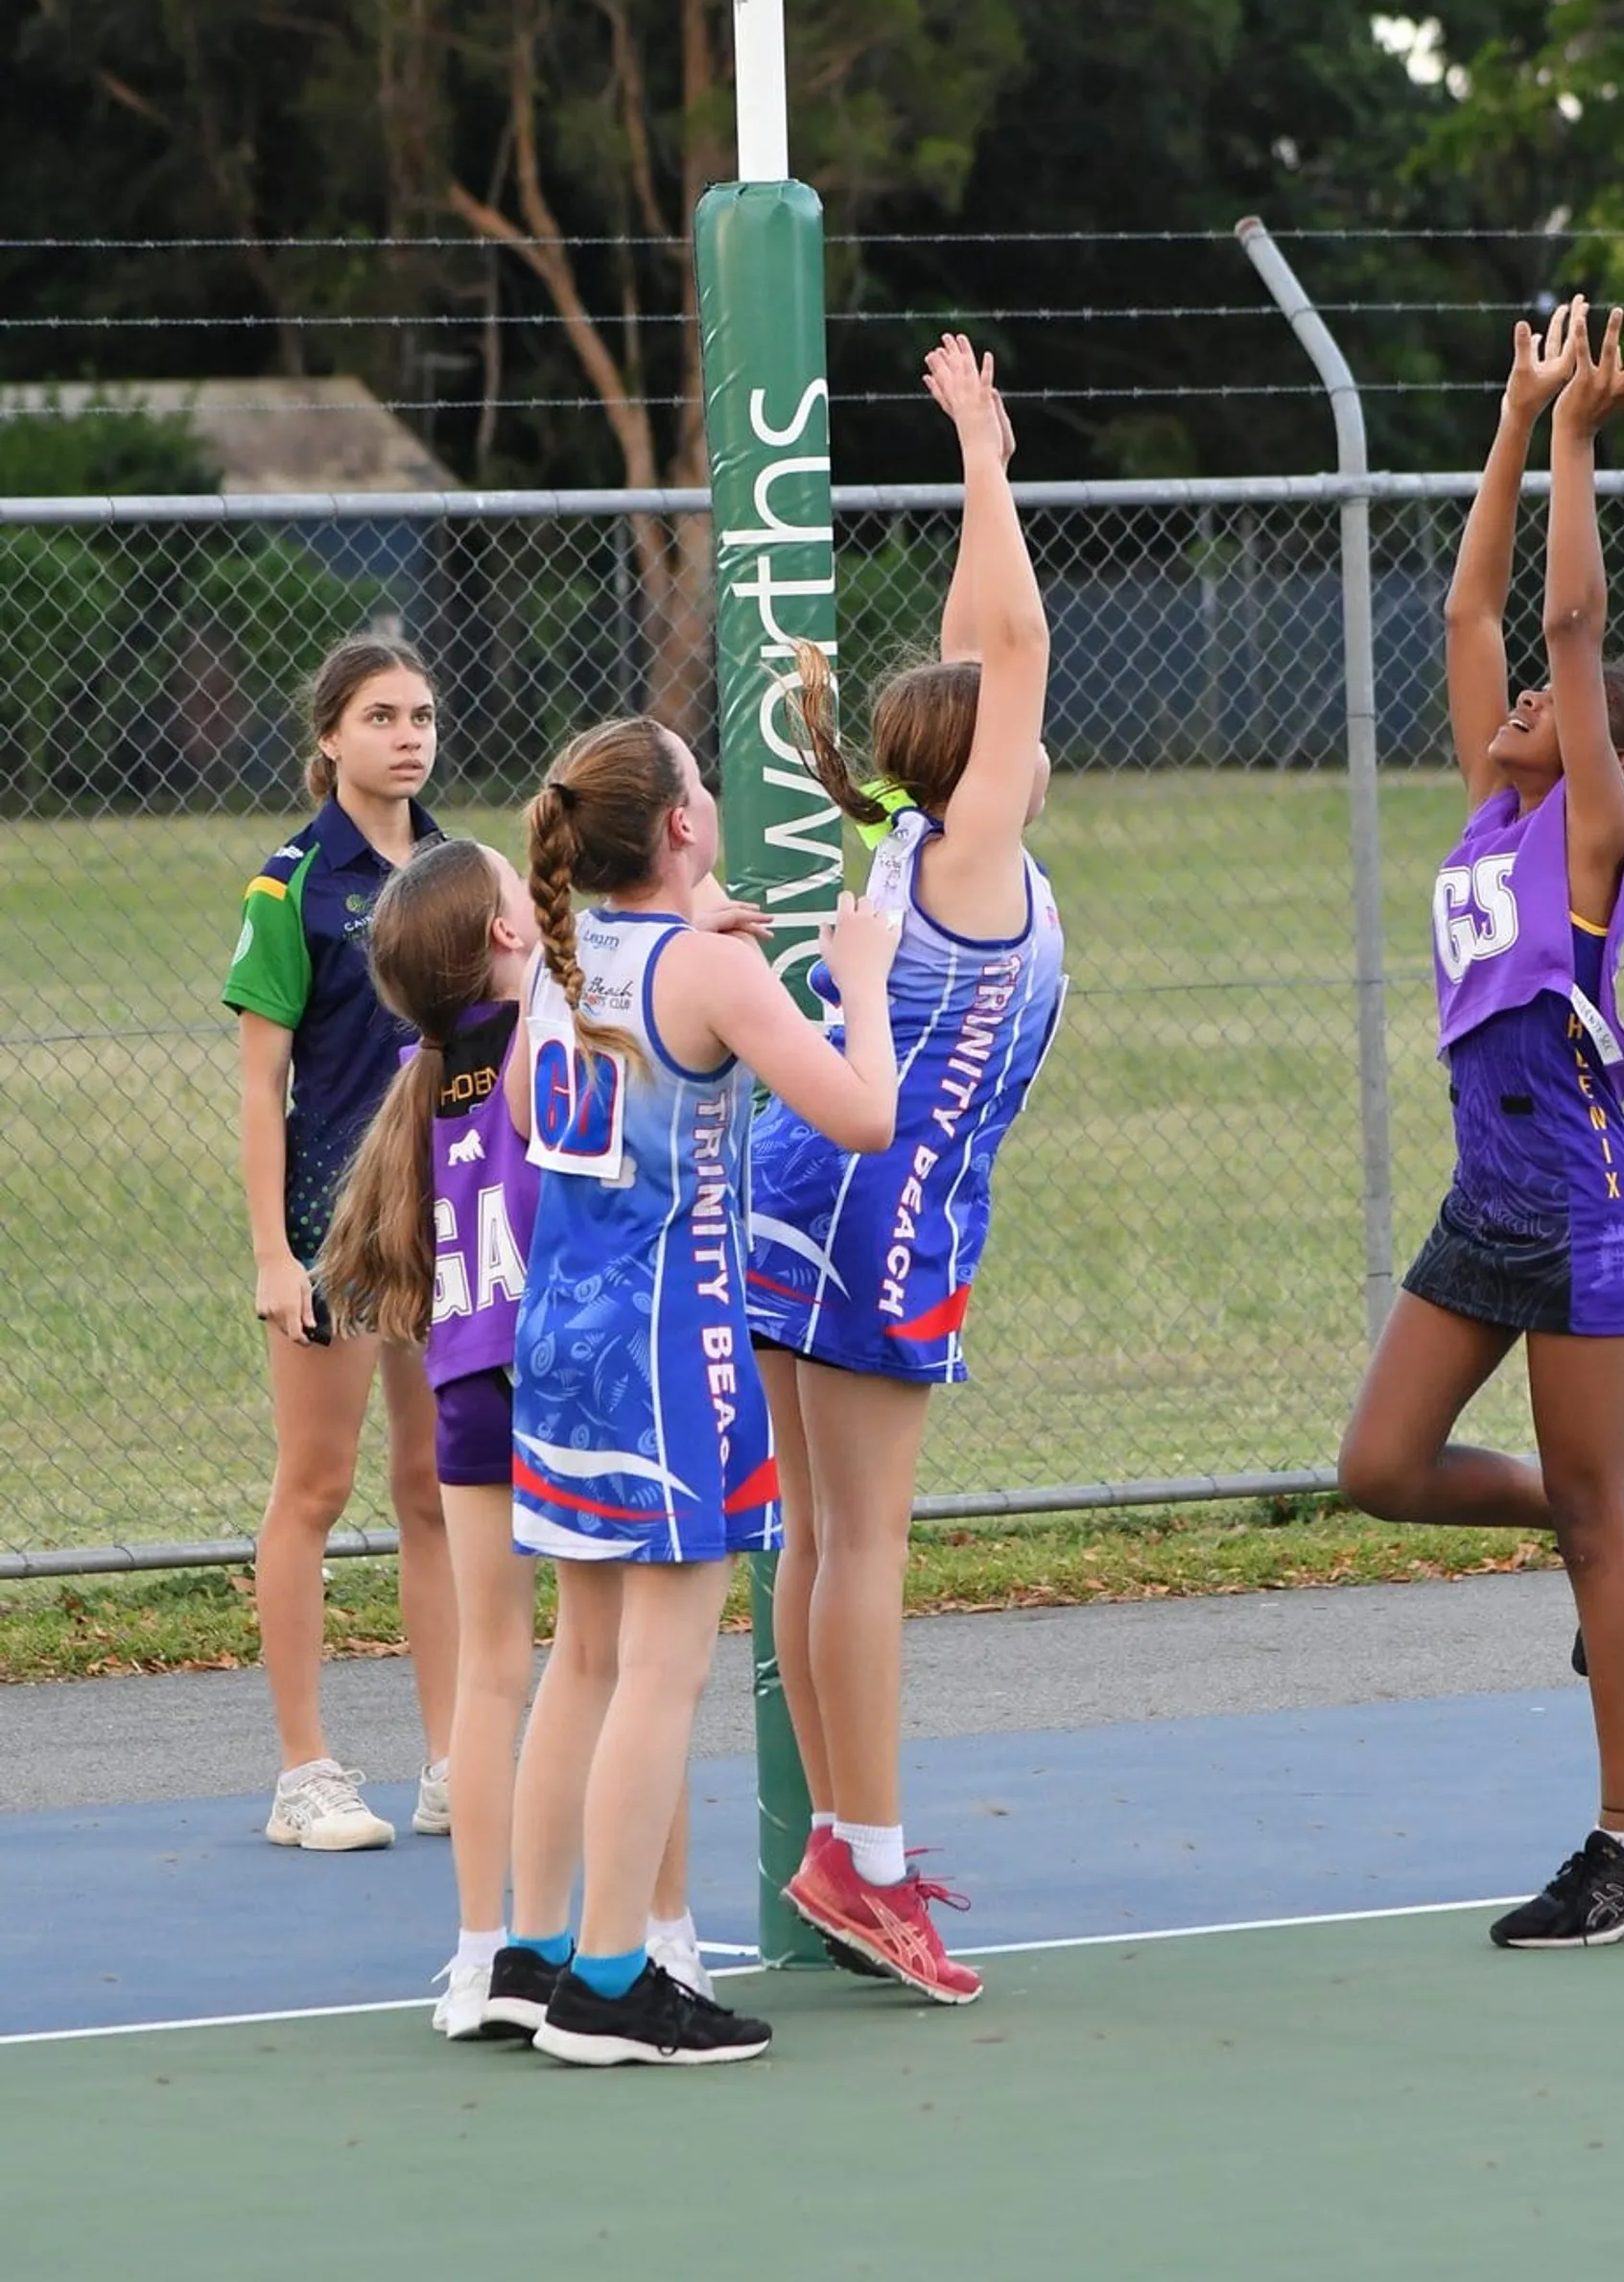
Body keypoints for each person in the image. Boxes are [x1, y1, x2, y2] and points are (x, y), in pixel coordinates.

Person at [1337, 299, 1624, 1949]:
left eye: (1552, 704)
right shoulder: (1482, 812)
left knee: (1585, 1524)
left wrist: (1582, 443)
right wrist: (1515, 417)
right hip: (1482, 1204)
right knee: (1378, 1466)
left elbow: (1565, 627)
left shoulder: (1583, 839)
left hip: (1577, 1203)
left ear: (1609, 762)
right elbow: (1475, 600)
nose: (1516, 692)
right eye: (1509, 698)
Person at [483, 716, 903, 2071]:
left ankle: (530, 1951)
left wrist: (726, 948)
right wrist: (863, 974)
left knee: (585, 1657)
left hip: (562, 1333)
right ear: (677, 826)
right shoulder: (713, 971)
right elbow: (863, 1112)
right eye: (700, 783)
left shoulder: (566, 951)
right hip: (673, 1351)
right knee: (661, 1667)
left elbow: (660, 1024)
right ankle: (612, 1980)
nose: (714, 797)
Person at [745, 333, 1067, 2006]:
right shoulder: (972, 849)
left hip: (804, 1184)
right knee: (860, 1544)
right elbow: (1003, 638)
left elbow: (969, 648)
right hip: (882, 1214)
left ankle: (840, 1852)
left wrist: (974, 462)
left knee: (817, 1539)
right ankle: (865, 1864)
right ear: (985, 756)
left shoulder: (907, 831)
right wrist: (982, 455)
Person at [224, 637, 456, 1852]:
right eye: (380, 716)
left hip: (452, 1226)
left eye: (420, 714)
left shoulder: (462, 872)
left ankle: (455, 1760)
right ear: (329, 738)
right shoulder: (293, 886)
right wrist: (276, 1252)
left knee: (437, 1485)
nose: (407, 735)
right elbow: (264, 1090)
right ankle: (304, 1772)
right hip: (336, 1232)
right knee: (316, 1487)